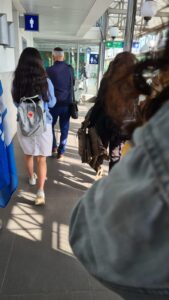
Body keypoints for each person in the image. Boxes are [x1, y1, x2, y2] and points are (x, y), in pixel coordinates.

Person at [69, 30, 169, 300]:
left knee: (112, 155)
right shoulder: (135, 85)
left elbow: (85, 232)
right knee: (117, 157)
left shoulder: (108, 78)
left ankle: (108, 172)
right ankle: (112, 172)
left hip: (110, 125)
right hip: (125, 127)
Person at [12, 47, 56, 206]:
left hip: (24, 124)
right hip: (43, 125)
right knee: (41, 159)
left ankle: (31, 178)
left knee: (28, 154)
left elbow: (16, 103)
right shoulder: (46, 81)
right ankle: (40, 192)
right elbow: (52, 102)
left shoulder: (16, 82)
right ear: (39, 63)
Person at [87, 52, 138, 173]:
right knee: (116, 155)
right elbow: (134, 107)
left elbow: (99, 103)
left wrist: (91, 121)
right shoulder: (134, 82)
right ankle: (112, 179)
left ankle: (98, 166)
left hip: (105, 121)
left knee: (99, 147)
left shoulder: (107, 80)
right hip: (123, 125)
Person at [47, 47, 74, 159]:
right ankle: (61, 151)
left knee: (50, 126)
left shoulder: (48, 70)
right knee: (64, 128)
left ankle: (53, 146)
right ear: (63, 56)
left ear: (54, 57)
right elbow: (72, 84)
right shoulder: (70, 69)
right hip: (67, 104)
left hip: (53, 105)